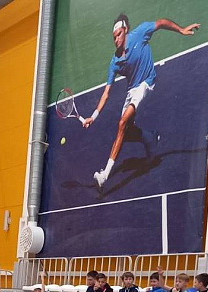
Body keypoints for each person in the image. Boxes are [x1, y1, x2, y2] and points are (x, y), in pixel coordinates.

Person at [83, 13, 200, 189]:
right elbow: (106, 93)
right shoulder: (115, 62)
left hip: (147, 82)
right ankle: (150, 137)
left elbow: (161, 23)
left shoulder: (140, 33)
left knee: (122, 124)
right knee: (127, 132)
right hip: (132, 90)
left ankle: (105, 175)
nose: (116, 39)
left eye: (119, 34)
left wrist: (181, 30)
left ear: (125, 30)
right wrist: (93, 116)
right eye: (114, 37)